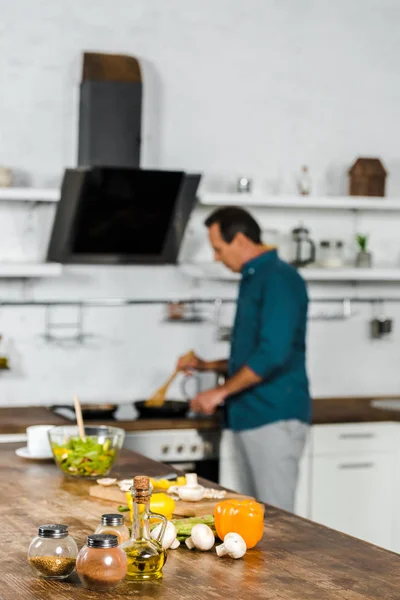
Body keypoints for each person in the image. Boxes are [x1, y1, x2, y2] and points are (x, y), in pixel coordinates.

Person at [177, 207, 311, 512]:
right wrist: (206, 365)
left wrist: (219, 392)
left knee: (277, 521)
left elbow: (273, 354)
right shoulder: (255, 278)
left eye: (218, 249)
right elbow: (254, 353)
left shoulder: (280, 279)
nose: (216, 258)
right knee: (244, 521)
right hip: (248, 416)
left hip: (273, 417)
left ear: (239, 239)